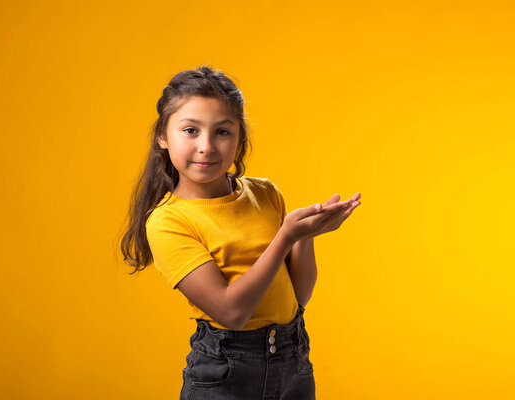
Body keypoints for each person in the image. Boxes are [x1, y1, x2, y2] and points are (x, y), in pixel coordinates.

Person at [120, 65, 362, 399]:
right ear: (162, 136)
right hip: (226, 373)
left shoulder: (265, 193)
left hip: (293, 359)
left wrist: (305, 236)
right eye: (190, 130)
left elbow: (298, 297)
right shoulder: (167, 222)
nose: (206, 146)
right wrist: (285, 238)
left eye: (222, 132)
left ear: (239, 137)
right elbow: (231, 313)